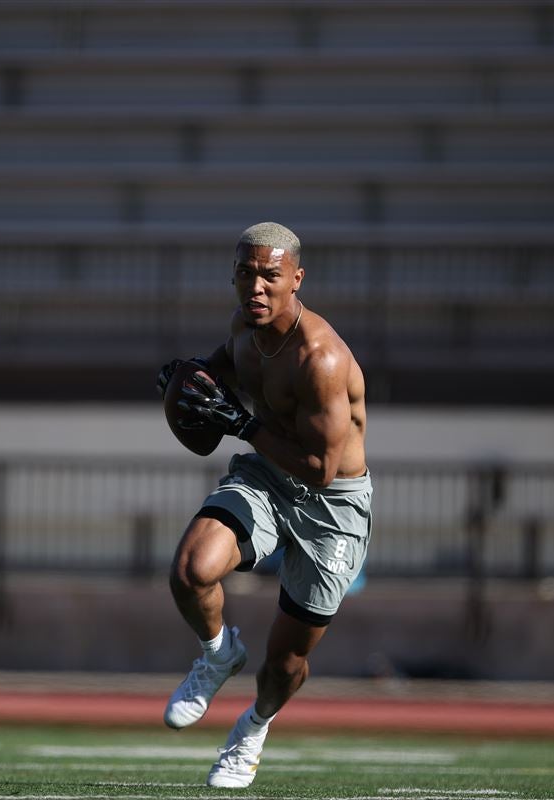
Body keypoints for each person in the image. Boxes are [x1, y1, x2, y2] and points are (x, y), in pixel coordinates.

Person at [155, 221, 372, 788]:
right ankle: (218, 651)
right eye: (246, 274)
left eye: (269, 276)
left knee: (284, 663)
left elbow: (321, 469)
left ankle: (252, 729)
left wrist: (245, 424)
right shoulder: (243, 330)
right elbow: (222, 372)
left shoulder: (320, 358)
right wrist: (188, 379)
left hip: (332, 507)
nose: (256, 287)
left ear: (296, 279)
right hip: (268, 476)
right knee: (190, 571)